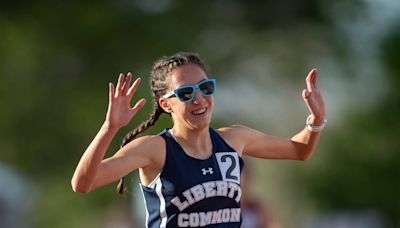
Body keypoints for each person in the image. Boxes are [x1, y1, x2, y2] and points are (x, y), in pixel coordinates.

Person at [71, 52, 327, 227]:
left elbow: (299, 150)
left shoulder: (234, 139)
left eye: (205, 88)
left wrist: (316, 119)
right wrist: (109, 127)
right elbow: (83, 183)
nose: (199, 99)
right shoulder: (155, 149)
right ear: (166, 104)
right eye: (185, 93)